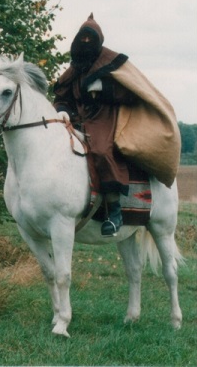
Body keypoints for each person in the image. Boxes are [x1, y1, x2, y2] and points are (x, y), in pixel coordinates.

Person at [53, 13, 180, 237]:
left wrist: (106, 90)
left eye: (89, 40)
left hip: (105, 117)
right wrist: (62, 110)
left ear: (98, 40)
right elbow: (62, 96)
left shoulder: (112, 64)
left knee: (101, 150)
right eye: (82, 40)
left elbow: (133, 93)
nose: (85, 44)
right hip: (76, 120)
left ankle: (115, 210)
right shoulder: (75, 69)